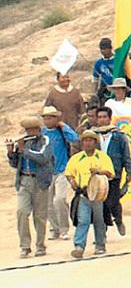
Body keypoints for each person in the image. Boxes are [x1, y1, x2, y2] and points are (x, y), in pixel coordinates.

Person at [6, 116, 54, 258]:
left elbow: (43, 158)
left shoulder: (45, 140)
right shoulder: (23, 142)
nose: (29, 133)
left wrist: (24, 150)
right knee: (22, 211)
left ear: (38, 130)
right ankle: (25, 246)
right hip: (24, 180)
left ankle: (40, 245)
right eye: (27, 130)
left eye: (32, 130)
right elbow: (15, 164)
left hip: (40, 181)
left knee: (39, 216)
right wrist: (11, 153)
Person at [64, 130, 114, 258]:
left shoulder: (102, 157)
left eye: (90, 140)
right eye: (85, 140)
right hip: (83, 194)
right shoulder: (77, 158)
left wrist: (99, 171)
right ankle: (79, 246)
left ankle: (100, 245)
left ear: (95, 142)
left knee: (99, 220)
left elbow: (110, 174)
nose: (87, 143)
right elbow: (69, 173)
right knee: (83, 220)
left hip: (98, 195)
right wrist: (72, 181)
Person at [95, 106, 131, 235]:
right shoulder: (93, 136)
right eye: (99, 117)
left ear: (110, 119)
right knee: (100, 202)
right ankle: (102, 232)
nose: (102, 120)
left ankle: (118, 220)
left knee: (113, 201)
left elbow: (126, 154)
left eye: (104, 117)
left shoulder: (119, 136)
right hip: (98, 174)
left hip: (115, 173)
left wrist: (129, 171)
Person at [41, 106, 77, 241]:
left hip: (62, 169)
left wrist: (64, 126)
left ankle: (64, 229)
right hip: (47, 171)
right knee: (48, 202)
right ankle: (54, 229)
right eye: (45, 118)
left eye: (50, 118)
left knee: (60, 199)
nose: (47, 120)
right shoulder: (42, 133)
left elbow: (74, 138)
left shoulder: (61, 131)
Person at [92, 37, 114, 105]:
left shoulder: (118, 60)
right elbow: (95, 79)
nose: (103, 51)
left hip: (118, 89)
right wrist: (95, 92)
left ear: (110, 48)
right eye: (101, 49)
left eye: (105, 49)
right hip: (105, 91)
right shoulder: (98, 63)